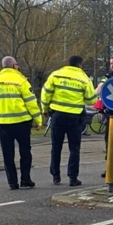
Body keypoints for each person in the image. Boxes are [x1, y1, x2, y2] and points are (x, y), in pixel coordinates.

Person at [0, 56, 42, 190]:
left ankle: (12, 182)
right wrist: (38, 120)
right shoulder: (21, 81)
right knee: (25, 153)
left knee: (7, 154)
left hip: (3, 124)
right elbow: (31, 102)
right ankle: (25, 179)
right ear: (13, 66)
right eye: (17, 65)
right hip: (22, 122)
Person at [42, 55, 95, 187]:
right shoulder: (84, 79)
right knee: (74, 148)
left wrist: (45, 109)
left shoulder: (56, 75)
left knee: (56, 146)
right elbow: (91, 100)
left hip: (57, 116)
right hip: (74, 118)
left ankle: (56, 176)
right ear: (80, 65)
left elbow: (46, 93)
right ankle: (73, 178)